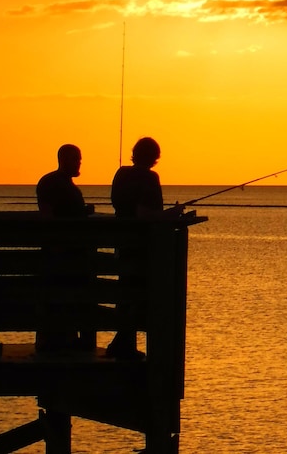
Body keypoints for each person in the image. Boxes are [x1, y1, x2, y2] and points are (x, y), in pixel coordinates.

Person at [107, 137, 181, 359]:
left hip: (122, 242)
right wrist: (171, 215)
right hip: (142, 245)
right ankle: (122, 344)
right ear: (155, 157)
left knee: (126, 292)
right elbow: (144, 213)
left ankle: (123, 342)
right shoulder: (149, 177)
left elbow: (124, 207)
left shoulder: (121, 173)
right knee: (139, 294)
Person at [35, 144, 95, 353]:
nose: (79, 162)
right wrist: (56, 245)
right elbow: (48, 216)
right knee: (65, 297)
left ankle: (60, 339)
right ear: (64, 159)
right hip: (63, 254)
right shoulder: (54, 184)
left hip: (65, 253)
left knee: (64, 298)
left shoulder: (55, 184)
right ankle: (60, 340)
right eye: (76, 158)